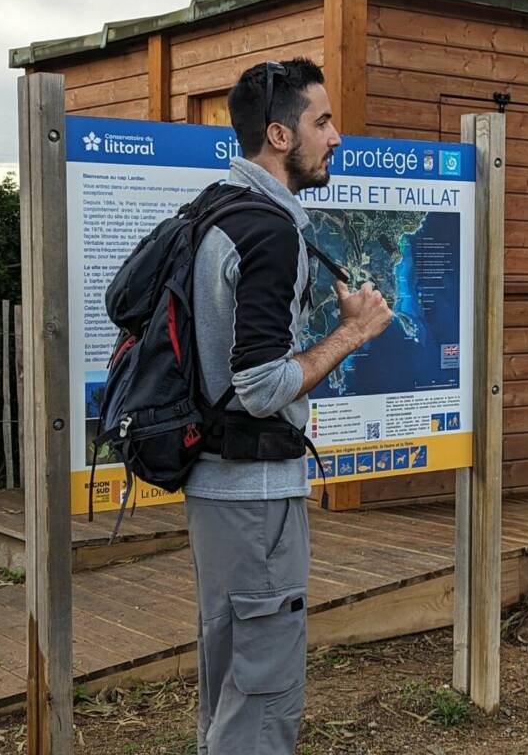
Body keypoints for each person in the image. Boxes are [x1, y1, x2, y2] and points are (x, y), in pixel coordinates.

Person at [184, 57, 392, 754]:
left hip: (217, 491)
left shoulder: (214, 208)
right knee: (262, 693)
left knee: (232, 678)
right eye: (322, 122)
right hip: (254, 497)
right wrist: (352, 333)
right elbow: (261, 385)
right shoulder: (268, 232)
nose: (336, 137)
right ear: (279, 135)